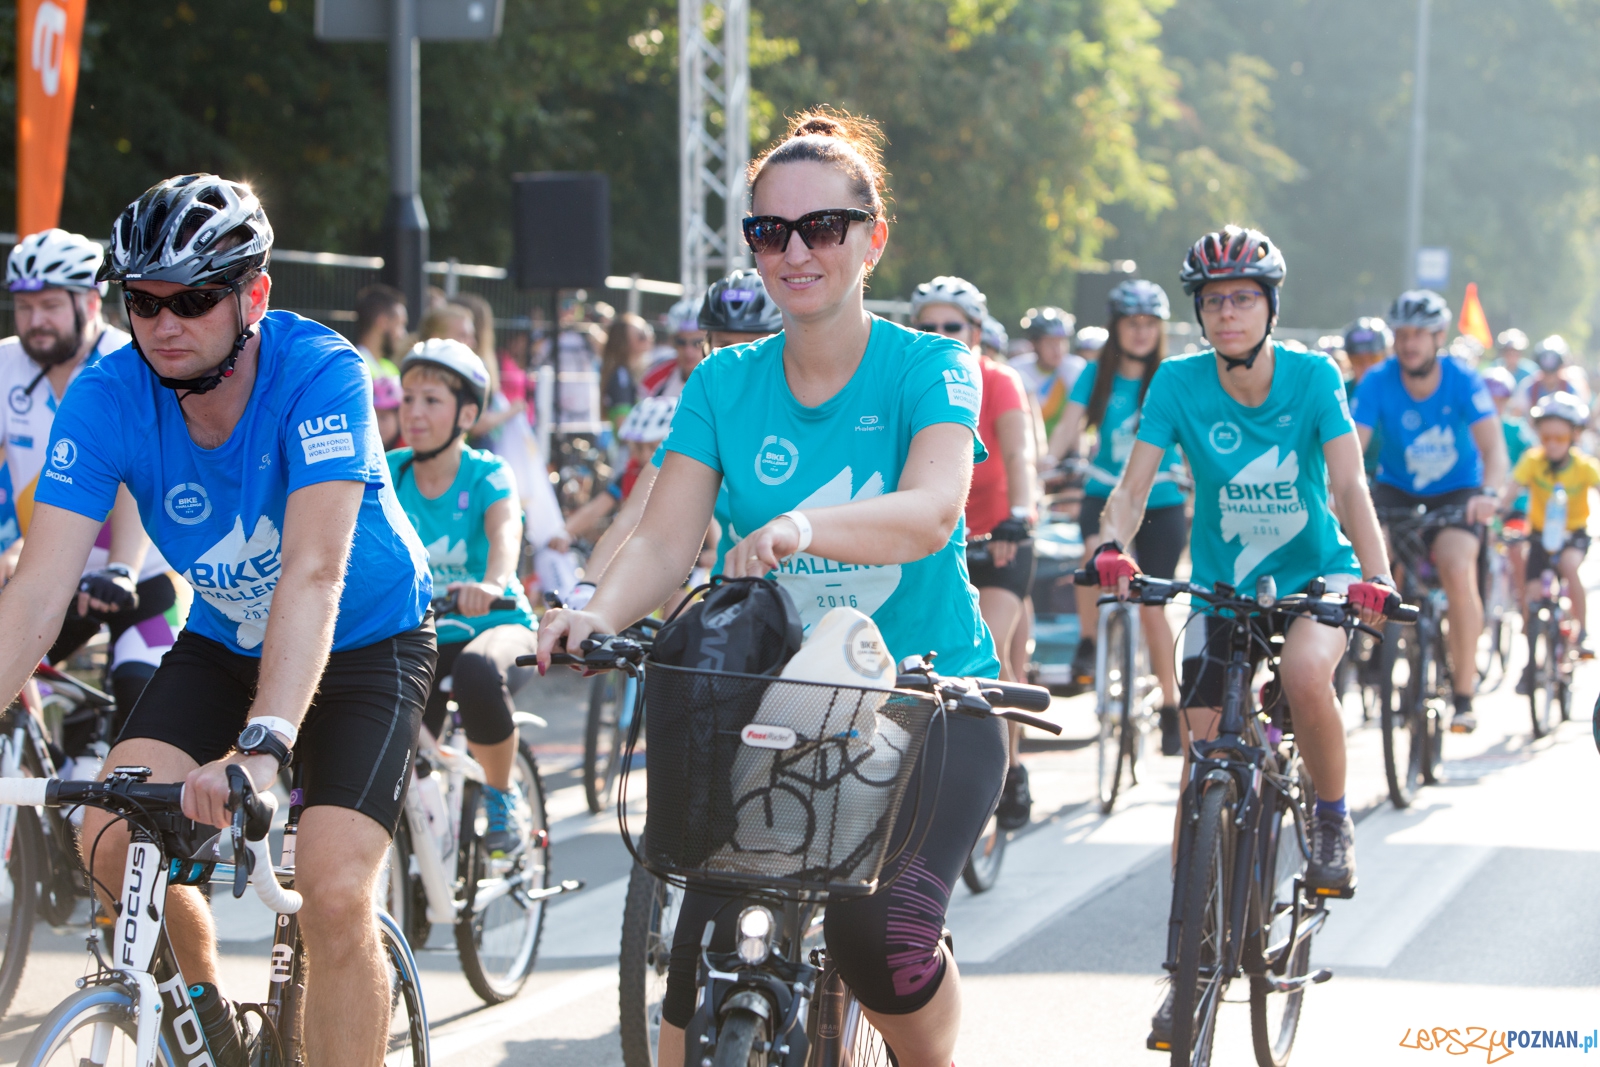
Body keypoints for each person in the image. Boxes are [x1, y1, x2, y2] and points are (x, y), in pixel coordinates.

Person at [539, 110, 1002, 1067]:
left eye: (822, 227)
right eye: (769, 231)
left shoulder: (934, 364)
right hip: (775, 710)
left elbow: (929, 511)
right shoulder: (722, 385)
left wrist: (799, 527)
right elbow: (664, 543)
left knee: (884, 941)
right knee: (695, 954)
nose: (795, 251)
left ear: (873, 239)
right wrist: (593, 610)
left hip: (934, 701)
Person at [0, 174, 435, 1065]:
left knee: (333, 890)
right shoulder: (107, 392)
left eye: (195, 298)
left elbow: (314, 574)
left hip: (365, 639)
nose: (165, 321)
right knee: (110, 838)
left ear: (255, 295)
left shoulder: (322, 373)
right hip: (227, 634)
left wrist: (265, 743)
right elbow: (40, 591)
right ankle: (206, 1029)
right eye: (145, 300)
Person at [1086, 226, 1396, 1046]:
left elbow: (1349, 482)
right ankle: (1189, 965)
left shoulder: (1312, 375)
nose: (1227, 312)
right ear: (1199, 311)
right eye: (1214, 300)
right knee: (1203, 762)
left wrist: (1378, 574)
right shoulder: (1180, 384)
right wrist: (1110, 546)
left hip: (1315, 577)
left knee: (1303, 674)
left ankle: (1330, 816)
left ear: (1270, 306)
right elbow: (1133, 485)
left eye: (1243, 298)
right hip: (1222, 590)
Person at [0, 228, 181, 721]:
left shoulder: (133, 363)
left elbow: (133, 472)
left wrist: (121, 567)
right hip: (46, 577)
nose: (36, 321)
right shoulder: (6, 364)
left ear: (90, 301)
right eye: (24, 306)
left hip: (137, 576)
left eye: (51, 305)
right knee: (25, 706)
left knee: (141, 708)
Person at [391, 339, 538, 856]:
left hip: (496, 626)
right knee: (389, 737)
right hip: (422, 636)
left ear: (467, 413)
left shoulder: (487, 473)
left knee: (477, 672)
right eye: (407, 399)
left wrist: (494, 583)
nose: (414, 412)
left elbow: (506, 536)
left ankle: (502, 793)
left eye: (431, 400)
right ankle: (414, 875)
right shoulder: (390, 473)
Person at [911, 275, 1037, 829]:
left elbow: (1019, 455)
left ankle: (1008, 770)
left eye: (952, 327)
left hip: (1000, 538)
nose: (940, 335)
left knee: (995, 647)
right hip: (937, 540)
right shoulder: (911, 379)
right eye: (928, 327)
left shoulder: (999, 381)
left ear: (978, 332)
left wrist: (1022, 514)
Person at [1351, 289, 1508, 733]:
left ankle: (1462, 694)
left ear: (1438, 337)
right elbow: (1352, 449)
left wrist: (1490, 494)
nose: (1409, 343)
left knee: (1458, 566)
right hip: (1396, 488)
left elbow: (1494, 449)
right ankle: (1373, 657)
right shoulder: (1378, 381)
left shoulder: (1462, 379)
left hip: (1458, 491)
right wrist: (1338, 493)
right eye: (1401, 334)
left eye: (1419, 334)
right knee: (1374, 555)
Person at [578, 268, 784, 601]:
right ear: (707, 349)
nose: (741, 360)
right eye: (725, 348)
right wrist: (586, 589)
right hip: (739, 604)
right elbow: (638, 515)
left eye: (754, 347)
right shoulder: (705, 415)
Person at [1046, 278, 1186, 750]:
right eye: (1132, 323)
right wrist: (1047, 463)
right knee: (1091, 564)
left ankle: (1169, 704)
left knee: (1153, 608)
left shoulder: (1170, 376)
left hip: (1162, 501)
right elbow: (1068, 427)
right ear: (1116, 328)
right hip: (1104, 496)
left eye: (1151, 324)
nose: (1142, 333)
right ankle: (1089, 640)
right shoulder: (1094, 375)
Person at [1500, 392, 1600, 667]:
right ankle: (1534, 661)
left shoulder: (1584, 467)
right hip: (1540, 536)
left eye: (1561, 438)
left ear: (1574, 437)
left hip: (1573, 535)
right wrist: (1497, 507)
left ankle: (1582, 632)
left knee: (1569, 567)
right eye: (1546, 438)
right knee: (1531, 594)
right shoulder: (1533, 461)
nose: (1553, 445)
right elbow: (1510, 489)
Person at [1483, 366, 1533, 611]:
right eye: (1489, 400)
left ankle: (1525, 613)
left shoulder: (1515, 429)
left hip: (1514, 506)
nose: (1495, 405)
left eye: (1500, 400)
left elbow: (1532, 457)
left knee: (1517, 553)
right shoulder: (1472, 429)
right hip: (1484, 505)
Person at [1011, 305, 1082, 442]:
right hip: (1026, 444)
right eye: (1050, 343)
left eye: (1062, 342)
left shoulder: (1075, 369)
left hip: (1064, 450)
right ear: (1034, 344)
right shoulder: (1017, 370)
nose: (1058, 350)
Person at [1343, 316, 1393, 479]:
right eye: (1358, 360)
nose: (1366, 367)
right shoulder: (1338, 393)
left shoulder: (1402, 391)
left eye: (1374, 359)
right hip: (1353, 476)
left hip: (1394, 482)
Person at [640, 298, 708, 399]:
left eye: (697, 343)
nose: (688, 350)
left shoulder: (721, 378)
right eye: (681, 342)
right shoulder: (656, 376)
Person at [1514, 334, 1590, 416]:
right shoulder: (1528, 387)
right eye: (1545, 371)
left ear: (1562, 366)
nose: (1549, 376)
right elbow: (1517, 415)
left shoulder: (1572, 388)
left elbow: (1580, 417)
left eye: (1553, 371)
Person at [598, 311, 654, 423]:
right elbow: (623, 425)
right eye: (641, 336)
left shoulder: (631, 372)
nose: (649, 338)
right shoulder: (621, 376)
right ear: (624, 343)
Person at [352, 283, 406, 379]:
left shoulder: (391, 369)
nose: (403, 334)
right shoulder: (353, 367)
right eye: (400, 324)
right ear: (383, 322)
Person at [373, 372, 404, 450]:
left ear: (399, 417)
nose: (377, 424)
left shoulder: (411, 451)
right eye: (372, 418)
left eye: (383, 417)